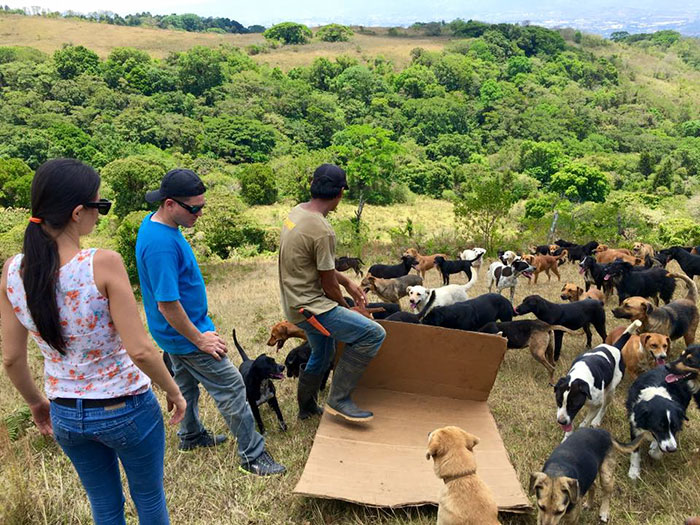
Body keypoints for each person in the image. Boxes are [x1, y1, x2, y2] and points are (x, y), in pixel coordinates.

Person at [0, 158, 187, 525]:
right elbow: (141, 350)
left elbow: (10, 358)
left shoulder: (12, 270)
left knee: (104, 506)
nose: (100, 215)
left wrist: (38, 404)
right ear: (76, 213)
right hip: (125, 408)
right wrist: (174, 391)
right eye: (99, 206)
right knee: (148, 498)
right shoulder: (102, 263)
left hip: (66, 413)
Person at [136, 168, 285, 476]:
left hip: (174, 335)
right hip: (185, 335)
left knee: (186, 385)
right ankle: (253, 456)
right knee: (232, 387)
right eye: (194, 208)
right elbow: (167, 304)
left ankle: (190, 435)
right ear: (169, 204)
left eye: (202, 206)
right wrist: (200, 338)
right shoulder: (162, 244)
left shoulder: (155, 226)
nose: (200, 213)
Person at [278, 163, 386, 422]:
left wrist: (348, 281)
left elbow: (318, 266)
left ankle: (306, 408)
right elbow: (328, 286)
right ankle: (339, 398)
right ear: (340, 194)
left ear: (313, 186)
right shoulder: (323, 231)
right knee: (373, 334)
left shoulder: (297, 213)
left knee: (323, 352)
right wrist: (348, 307)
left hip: (293, 302)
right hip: (311, 306)